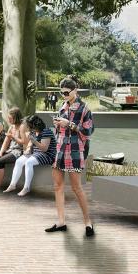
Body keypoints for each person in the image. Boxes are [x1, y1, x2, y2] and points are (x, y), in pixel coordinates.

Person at [46, 76, 97, 236]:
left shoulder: (84, 108)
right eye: (62, 93)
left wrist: (69, 124)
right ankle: (61, 222)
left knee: (76, 188)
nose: (64, 95)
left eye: (67, 93)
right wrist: (57, 124)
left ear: (75, 90)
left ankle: (88, 222)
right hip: (60, 148)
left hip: (74, 150)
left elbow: (88, 132)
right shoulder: (63, 105)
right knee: (57, 186)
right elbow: (61, 128)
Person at [8, 115, 55, 196]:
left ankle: (26, 188)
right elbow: (30, 142)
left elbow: (44, 149)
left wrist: (33, 140)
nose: (26, 127)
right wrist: (28, 149)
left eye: (28, 125)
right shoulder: (33, 131)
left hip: (47, 155)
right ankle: (12, 185)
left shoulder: (46, 131)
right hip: (36, 153)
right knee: (19, 161)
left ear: (33, 125)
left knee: (29, 162)